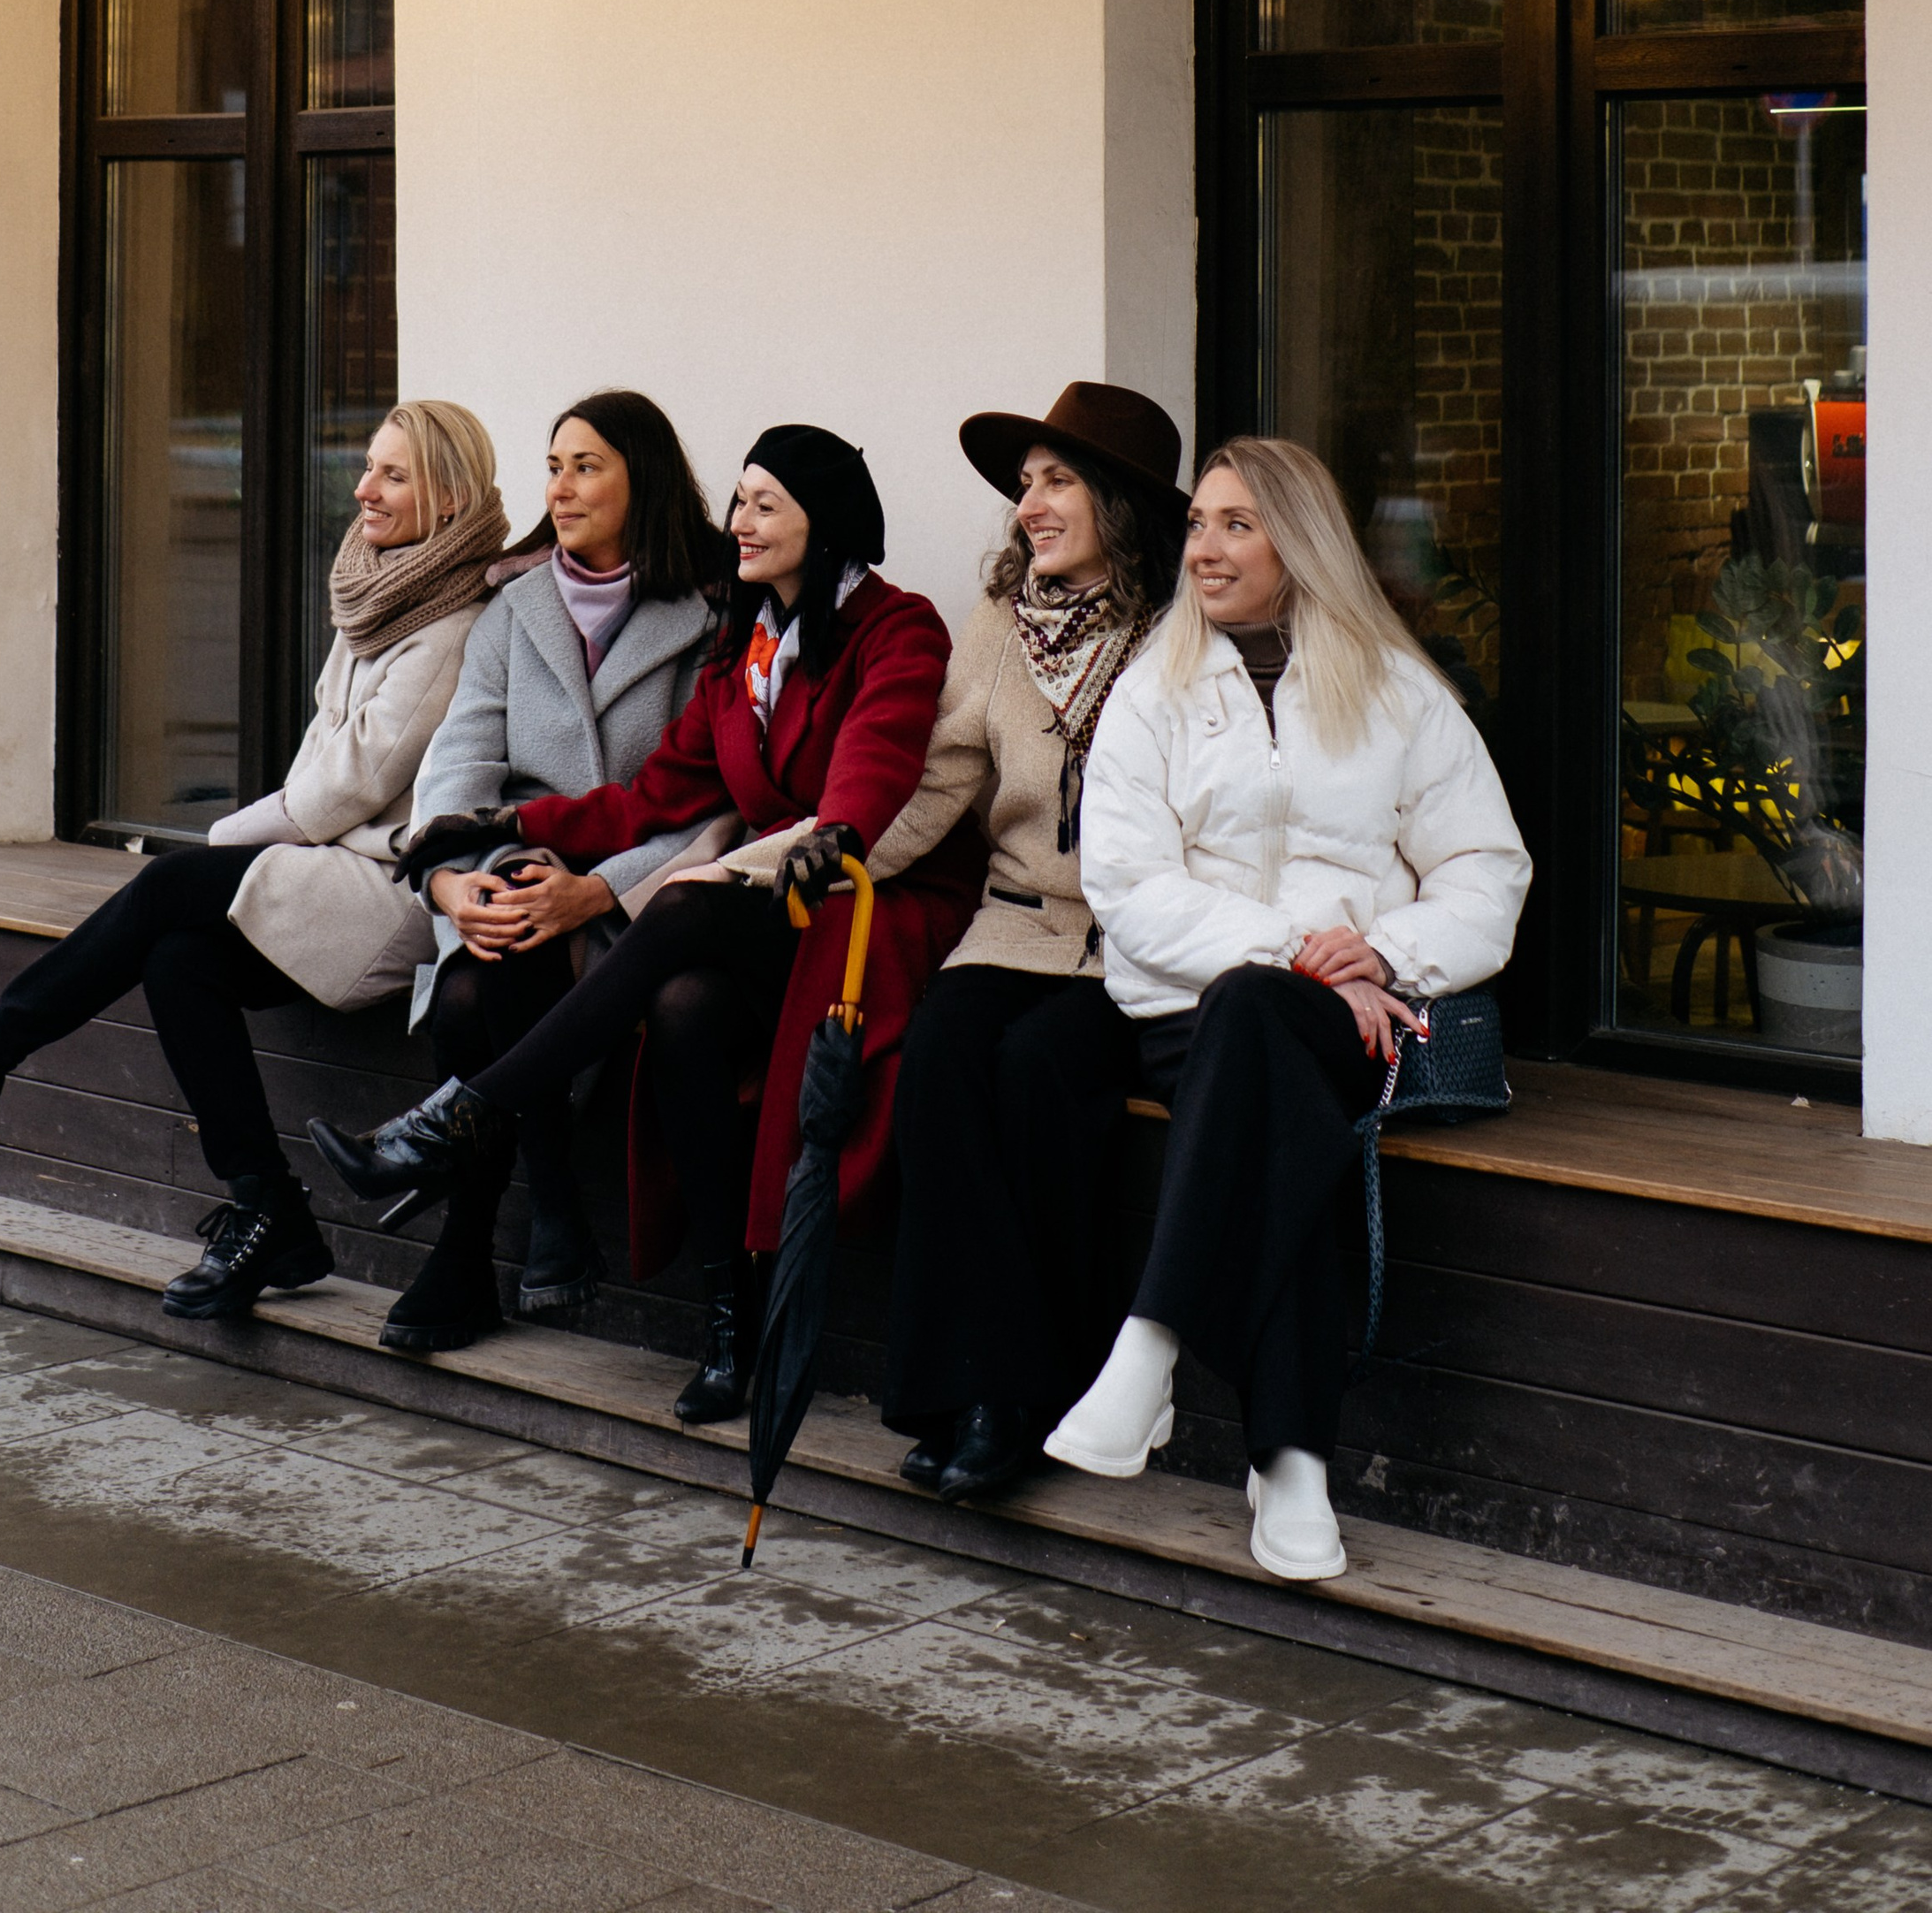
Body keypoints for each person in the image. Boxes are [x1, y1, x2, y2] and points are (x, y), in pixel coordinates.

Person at [311, 425, 979, 1425]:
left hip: (858, 901)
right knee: (680, 1007)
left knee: (677, 905)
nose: (739, 523)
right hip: (763, 910)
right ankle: (728, 1324)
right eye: (739, 501)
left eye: (765, 505)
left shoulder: (898, 628)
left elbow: (870, 775)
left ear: (825, 521)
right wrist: (500, 823)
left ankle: (466, 1112)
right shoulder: (742, 643)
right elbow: (654, 796)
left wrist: (824, 835)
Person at [0, 402, 506, 1321]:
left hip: (391, 889)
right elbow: (319, 769)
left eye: (392, 475)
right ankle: (272, 1212)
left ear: (451, 497)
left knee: (173, 884)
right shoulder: (386, 598)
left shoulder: (451, 626)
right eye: (368, 468)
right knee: (176, 960)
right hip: (321, 877)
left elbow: (343, 789)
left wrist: (218, 847)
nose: (362, 489)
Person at [1043, 438, 1531, 1584]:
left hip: (1359, 1020)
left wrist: (1388, 951)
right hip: (1198, 1012)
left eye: (1235, 525)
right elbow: (1129, 888)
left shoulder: (1397, 690)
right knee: (1285, 1101)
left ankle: (1153, 1347)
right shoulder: (1151, 695)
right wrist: (1295, 958)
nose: (1203, 549)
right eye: (1200, 524)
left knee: (1277, 1049)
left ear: (1298, 543)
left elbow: (1486, 872)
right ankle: (1294, 1461)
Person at [871, 383, 1186, 1509]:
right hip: (1013, 926)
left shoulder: (1182, 630)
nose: (1028, 509)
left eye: (1055, 483)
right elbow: (939, 786)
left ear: (1117, 502)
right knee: (942, 1059)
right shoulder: (1000, 630)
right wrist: (825, 857)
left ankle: (1014, 1397)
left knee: (1038, 1072)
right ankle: (972, 1386)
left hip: (1137, 947)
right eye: (1025, 487)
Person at [383, 389, 727, 1356]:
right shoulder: (514, 606)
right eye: (553, 467)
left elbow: (714, 807)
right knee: (473, 976)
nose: (562, 488)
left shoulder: (709, 611)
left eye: (588, 466)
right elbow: (458, 767)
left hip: (633, 896)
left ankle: (478, 1253)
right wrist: (458, 884)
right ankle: (544, 1217)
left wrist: (598, 890)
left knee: (466, 1005)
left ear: (641, 478)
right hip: (513, 872)